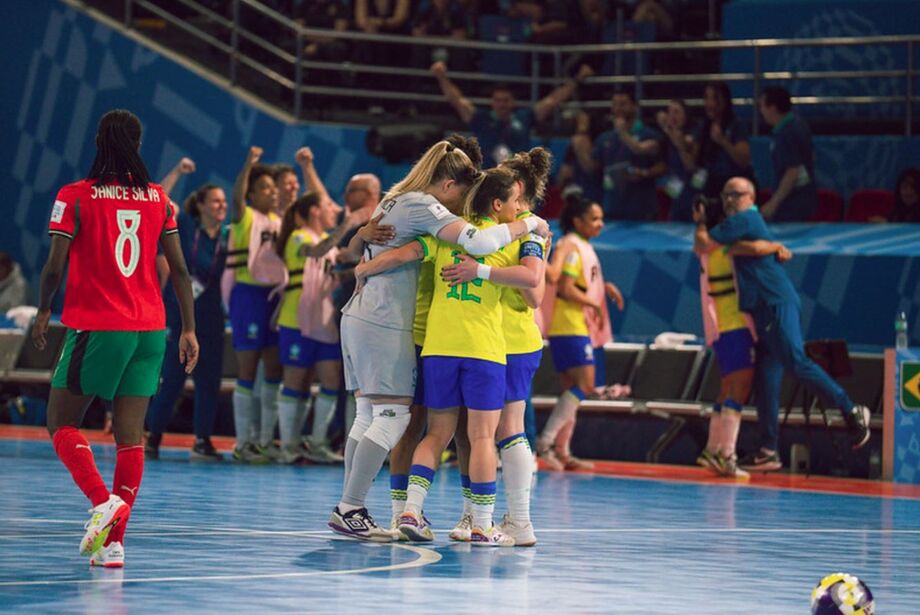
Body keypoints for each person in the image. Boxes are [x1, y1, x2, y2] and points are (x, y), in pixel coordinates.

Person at [329, 137, 550, 542]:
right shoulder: (463, 226)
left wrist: (361, 260)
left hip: (435, 341)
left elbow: (398, 251)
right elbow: (525, 281)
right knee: (450, 429)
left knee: (431, 428)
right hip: (460, 340)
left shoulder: (431, 221)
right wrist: (498, 258)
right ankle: (472, 519)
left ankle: (415, 512)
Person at [33, 109, 199, 568]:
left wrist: (44, 309)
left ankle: (102, 502)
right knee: (130, 437)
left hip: (100, 326)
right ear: (138, 145)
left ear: (97, 142)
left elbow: (54, 267)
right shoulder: (158, 199)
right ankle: (113, 544)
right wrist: (188, 328)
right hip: (151, 329)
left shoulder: (74, 196)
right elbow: (180, 270)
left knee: (60, 422)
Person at [694, 177, 870, 472]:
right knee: (766, 378)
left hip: (775, 301)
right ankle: (768, 450)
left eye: (735, 195)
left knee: (797, 363)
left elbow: (706, 243)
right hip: (761, 311)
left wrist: (701, 222)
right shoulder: (743, 225)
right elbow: (743, 248)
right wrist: (764, 246)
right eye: (725, 195)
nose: (728, 200)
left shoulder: (746, 218)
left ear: (751, 198)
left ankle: (851, 410)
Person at [446, 147, 553, 546]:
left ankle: (520, 521)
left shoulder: (530, 230)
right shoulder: (490, 226)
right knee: (473, 432)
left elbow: (534, 292)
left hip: (512, 341)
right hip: (480, 340)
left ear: (517, 190)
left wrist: (482, 272)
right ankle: (474, 513)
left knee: (508, 429)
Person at [691, 196, 781, 480]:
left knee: (728, 387)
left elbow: (700, 240)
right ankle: (727, 455)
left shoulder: (707, 248)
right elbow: (756, 248)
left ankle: (712, 450)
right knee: (739, 388)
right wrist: (777, 247)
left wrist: (700, 222)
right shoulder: (724, 247)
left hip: (721, 328)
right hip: (735, 326)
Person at [146, 167, 228, 462]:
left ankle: (202, 440)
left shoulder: (228, 237)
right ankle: (153, 437)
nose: (222, 206)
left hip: (211, 318)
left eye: (224, 202)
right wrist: (178, 172)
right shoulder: (185, 226)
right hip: (180, 314)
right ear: (201, 205)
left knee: (209, 382)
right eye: (216, 201)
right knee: (172, 378)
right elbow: (158, 202)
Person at [537, 194, 624, 470]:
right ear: (578, 221)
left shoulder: (582, 246)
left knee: (570, 391)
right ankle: (545, 443)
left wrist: (604, 287)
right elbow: (565, 287)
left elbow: (581, 281)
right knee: (586, 385)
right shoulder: (571, 245)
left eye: (601, 218)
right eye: (594, 219)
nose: (600, 224)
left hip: (573, 326)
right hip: (570, 325)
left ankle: (562, 451)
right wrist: (593, 303)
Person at [225, 146, 283, 464]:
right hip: (248, 296)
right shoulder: (245, 216)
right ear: (252, 193)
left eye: (274, 188)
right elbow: (236, 199)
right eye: (265, 188)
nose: (272, 193)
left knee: (273, 369)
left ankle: (264, 441)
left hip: (274, 298)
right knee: (247, 369)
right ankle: (242, 443)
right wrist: (248, 164)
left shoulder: (280, 220)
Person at [431, 60, 594, 168]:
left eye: (506, 100)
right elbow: (457, 100)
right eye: (498, 100)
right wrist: (441, 78)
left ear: (513, 103)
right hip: (487, 178)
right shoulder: (481, 118)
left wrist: (577, 79)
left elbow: (552, 101)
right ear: (492, 103)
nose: (502, 104)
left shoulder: (525, 117)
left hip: (517, 179)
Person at [570, 91, 665, 220]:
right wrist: (580, 148)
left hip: (642, 209)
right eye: (615, 104)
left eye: (623, 104)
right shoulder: (604, 138)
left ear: (634, 106)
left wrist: (644, 173)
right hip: (612, 208)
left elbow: (662, 166)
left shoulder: (649, 134)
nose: (618, 108)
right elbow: (593, 168)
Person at [758, 86, 817, 221]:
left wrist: (773, 203)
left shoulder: (788, 131)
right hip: (800, 201)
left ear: (772, 108)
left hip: (793, 205)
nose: (761, 111)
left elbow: (792, 172)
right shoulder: (798, 125)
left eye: (762, 106)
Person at [695, 82, 753, 201]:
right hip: (711, 184)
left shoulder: (737, 125)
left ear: (725, 101)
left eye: (715, 98)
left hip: (733, 185)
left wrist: (723, 141)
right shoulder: (703, 126)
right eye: (707, 98)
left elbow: (743, 160)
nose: (710, 104)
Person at [656, 99, 698, 221]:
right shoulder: (666, 138)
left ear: (686, 115)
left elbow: (690, 163)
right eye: (669, 112)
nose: (672, 116)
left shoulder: (694, 133)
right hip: (676, 196)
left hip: (694, 193)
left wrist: (667, 128)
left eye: (676, 112)